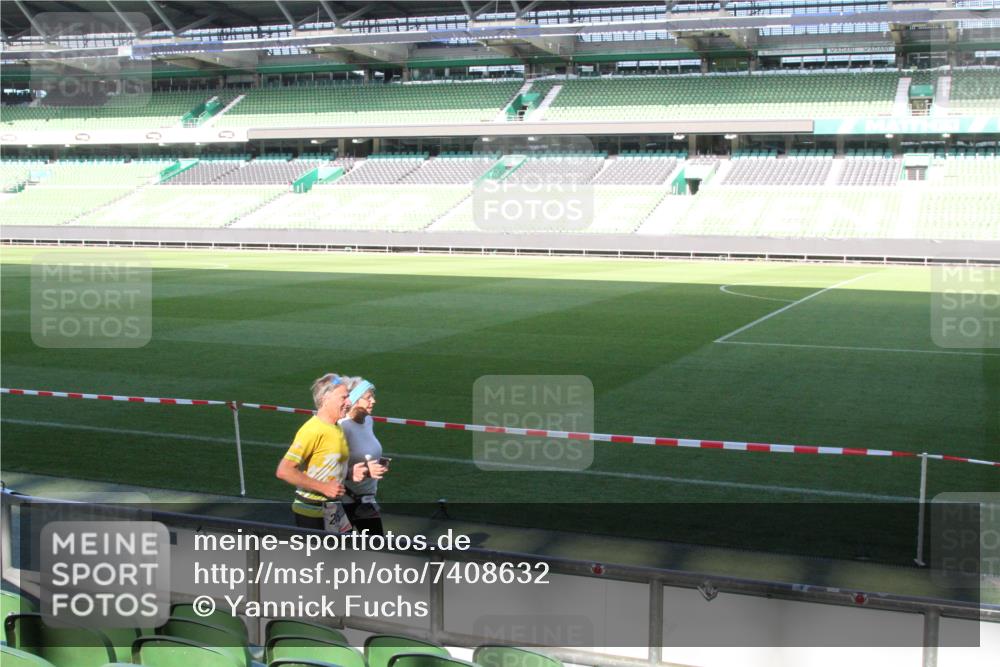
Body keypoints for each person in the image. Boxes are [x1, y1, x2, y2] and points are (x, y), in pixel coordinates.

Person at [275, 372, 369, 531]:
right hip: (312, 513)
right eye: (343, 397)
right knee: (321, 556)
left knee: (343, 553)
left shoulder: (336, 426)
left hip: (332, 509)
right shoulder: (312, 430)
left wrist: (349, 473)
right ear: (325, 399)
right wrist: (323, 487)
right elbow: (284, 471)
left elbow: (325, 466)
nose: (349, 402)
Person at [339, 376, 388, 535]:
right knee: (339, 551)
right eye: (368, 398)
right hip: (344, 501)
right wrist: (367, 471)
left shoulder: (368, 421)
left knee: (376, 546)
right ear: (353, 400)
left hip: (366, 499)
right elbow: (328, 469)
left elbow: (364, 452)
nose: (373, 401)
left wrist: (378, 463)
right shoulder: (342, 427)